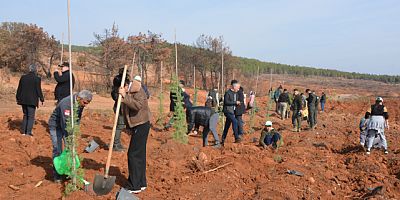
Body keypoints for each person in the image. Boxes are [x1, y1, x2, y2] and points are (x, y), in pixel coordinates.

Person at [48, 90, 92, 183]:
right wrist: (70, 137)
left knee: (70, 149)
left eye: (87, 103)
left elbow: (77, 118)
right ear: (80, 98)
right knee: (58, 149)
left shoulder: (80, 103)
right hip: (56, 126)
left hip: (67, 126)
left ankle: (68, 171)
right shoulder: (66, 104)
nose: (85, 105)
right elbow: (65, 124)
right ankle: (57, 175)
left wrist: (75, 130)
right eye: (85, 103)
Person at [119, 77, 150, 194]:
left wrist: (124, 96)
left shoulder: (138, 91)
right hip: (137, 126)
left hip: (141, 126)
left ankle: (134, 185)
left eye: (123, 87)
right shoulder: (130, 91)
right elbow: (126, 111)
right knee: (139, 155)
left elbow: (137, 106)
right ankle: (141, 183)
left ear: (127, 85)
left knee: (133, 155)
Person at [16, 64, 44, 136]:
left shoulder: (23, 77)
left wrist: (17, 97)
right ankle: (28, 132)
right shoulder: (37, 79)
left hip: (23, 100)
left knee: (25, 115)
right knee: (31, 116)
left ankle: (23, 132)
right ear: (35, 70)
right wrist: (41, 98)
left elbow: (19, 89)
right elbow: (38, 90)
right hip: (32, 101)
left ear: (29, 69)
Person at [111, 68, 130, 152]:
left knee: (121, 125)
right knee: (120, 126)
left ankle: (117, 143)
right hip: (119, 106)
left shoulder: (123, 81)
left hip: (123, 106)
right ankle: (115, 144)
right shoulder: (118, 80)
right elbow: (115, 95)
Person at [221, 80, 241, 145]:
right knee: (235, 121)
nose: (238, 89)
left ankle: (223, 139)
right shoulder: (228, 93)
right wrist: (235, 102)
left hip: (232, 112)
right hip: (227, 111)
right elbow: (226, 102)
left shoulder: (236, 93)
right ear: (234, 87)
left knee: (227, 126)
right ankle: (236, 137)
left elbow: (234, 102)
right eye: (238, 87)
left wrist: (238, 104)